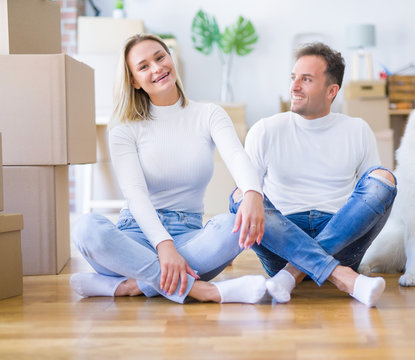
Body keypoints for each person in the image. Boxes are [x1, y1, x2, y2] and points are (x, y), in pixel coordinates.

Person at [70, 33, 269, 304]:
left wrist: (252, 194)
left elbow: (236, 156)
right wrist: (164, 247)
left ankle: (127, 285)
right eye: (143, 66)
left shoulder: (208, 114)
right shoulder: (124, 128)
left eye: (160, 57)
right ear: (134, 81)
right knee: (86, 228)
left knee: (232, 225)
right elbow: (136, 194)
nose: (157, 68)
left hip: (188, 234)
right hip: (136, 234)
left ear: (170, 58)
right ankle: (202, 290)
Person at [231, 42, 397, 305]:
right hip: (281, 243)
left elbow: (372, 195)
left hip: (343, 238)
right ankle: (342, 277)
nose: (294, 87)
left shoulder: (357, 130)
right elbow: (248, 202)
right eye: (293, 78)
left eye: (306, 79)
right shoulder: (265, 130)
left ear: (332, 91)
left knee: (384, 180)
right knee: (241, 194)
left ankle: (292, 274)